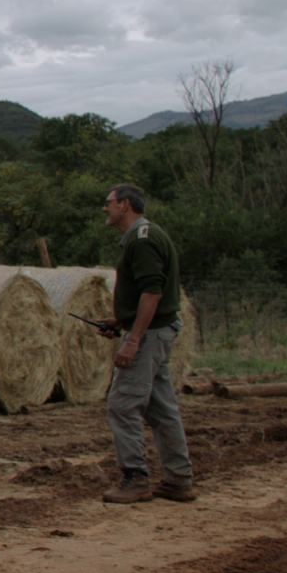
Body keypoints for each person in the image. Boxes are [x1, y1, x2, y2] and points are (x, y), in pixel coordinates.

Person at [97, 184, 194, 504]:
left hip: (150, 335)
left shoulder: (144, 240)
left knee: (123, 404)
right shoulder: (146, 237)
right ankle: (179, 479)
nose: (104, 209)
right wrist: (121, 322)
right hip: (157, 331)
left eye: (108, 203)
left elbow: (153, 292)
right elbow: (147, 293)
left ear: (125, 205)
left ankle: (135, 478)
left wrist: (133, 340)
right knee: (162, 409)